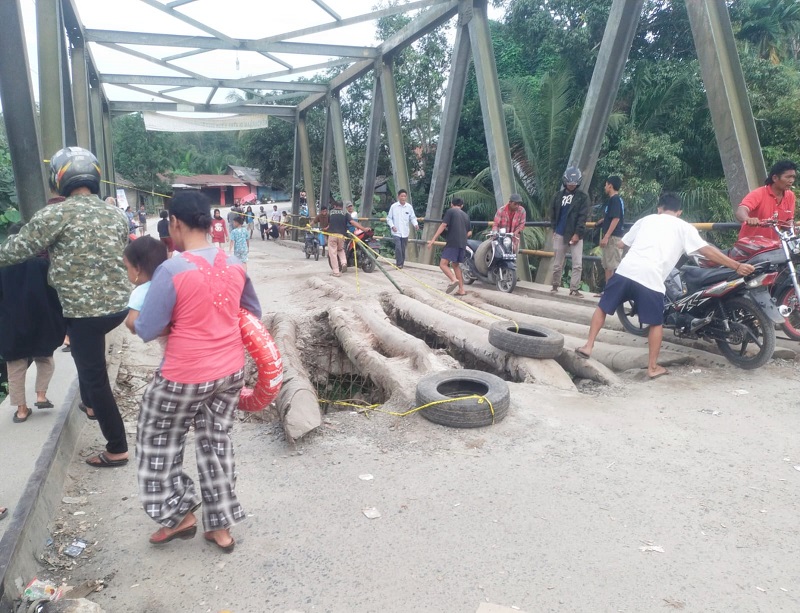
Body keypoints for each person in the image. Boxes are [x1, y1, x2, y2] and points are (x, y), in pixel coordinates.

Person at [133, 191, 261, 552]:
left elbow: (146, 328)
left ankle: (179, 514)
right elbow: (252, 311)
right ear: (209, 221)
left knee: (156, 441)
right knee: (216, 443)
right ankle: (220, 528)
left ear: (174, 222)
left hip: (183, 375)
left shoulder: (171, 269)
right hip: (230, 371)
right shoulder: (235, 264)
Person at [0, 147, 130, 467]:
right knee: (89, 360)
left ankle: (117, 447)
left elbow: (17, 250)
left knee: (94, 375)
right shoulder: (116, 214)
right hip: (117, 307)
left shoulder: (55, 214)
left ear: (59, 178)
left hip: (83, 313)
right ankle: (89, 404)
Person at [576, 192, 755, 379]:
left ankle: (588, 346)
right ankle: (652, 367)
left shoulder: (647, 219)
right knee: (655, 323)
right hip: (651, 278)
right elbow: (706, 251)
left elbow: (621, 244)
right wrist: (737, 265)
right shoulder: (684, 227)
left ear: (659, 208)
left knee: (603, 307)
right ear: (679, 212)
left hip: (626, 271)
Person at [0, 222, 65, 423]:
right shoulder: (42, 265)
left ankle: (21, 410)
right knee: (45, 358)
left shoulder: (3, 266)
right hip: (40, 320)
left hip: (12, 322)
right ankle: (41, 394)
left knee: (15, 366)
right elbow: (55, 294)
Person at [550, 166, 590, 297]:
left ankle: (574, 288)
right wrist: (554, 229)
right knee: (557, 262)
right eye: (569, 183)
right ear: (565, 182)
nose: (571, 186)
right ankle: (555, 285)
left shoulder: (582, 198)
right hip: (560, 233)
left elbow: (582, 217)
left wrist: (577, 234)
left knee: (577, 263)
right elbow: (553, 214)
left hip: (575, 234)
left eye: (573, 183)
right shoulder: (558, 196)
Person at [736, 159, 797, 241]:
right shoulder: (758, 193)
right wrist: (748, 219)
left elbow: (788, 222)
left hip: (773, 247)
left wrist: (792, 226)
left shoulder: (790, 196)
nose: (791, 181)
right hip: (750, 246)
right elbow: (741, 210)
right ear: (775, 178)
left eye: (793, 177)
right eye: (788, 177)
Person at [122, 236, 168, 334]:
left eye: (127, 268)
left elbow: (132, 322)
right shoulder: (167, 282)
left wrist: (130, 326)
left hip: (168, 342)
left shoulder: (140, 291)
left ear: (137, 269)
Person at [426, 198, 471, 296]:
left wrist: (433, 240)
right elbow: (469, 232)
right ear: (462, 206)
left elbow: (443, 225)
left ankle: (453, 279)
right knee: (455, 265)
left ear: (451, 204)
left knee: (443, 264)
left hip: (452, 242)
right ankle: (461, 289)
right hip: (462, 243)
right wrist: (462, 237)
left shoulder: (450, 211)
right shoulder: (466, 215)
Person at [596, 175, 625, 292]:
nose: (605, 187)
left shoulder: (615, 200)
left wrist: (606, 236)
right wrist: (604, 220)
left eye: (606, 184)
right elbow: (614, 216)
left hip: (613, 237)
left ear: (610, 186)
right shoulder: (616, 200)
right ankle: (608, 290)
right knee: (608, 264)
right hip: (613, 235)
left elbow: (616, 218)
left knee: (610, 265)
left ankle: (609, 291)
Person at [386, 189, 419, 269]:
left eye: (404, 196)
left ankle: (401, 263)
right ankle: (399, 264)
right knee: (398, 247)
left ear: (406, 197)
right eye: (402, 196)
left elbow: (412, 217)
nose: (403, 198)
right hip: (396, 231)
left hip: (405, 231)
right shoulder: (393, 207)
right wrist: (392, 226)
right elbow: (389, 218)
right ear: (398, 197)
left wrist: (415, 224)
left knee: (403, 248)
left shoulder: (409, 207)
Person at [326, 201, 350, 277]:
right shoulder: (345, 213)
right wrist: (363, 228)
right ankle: (344, 262)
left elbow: (329, 224)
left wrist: (324, 229)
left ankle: (336, 272)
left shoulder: (331, 213)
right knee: (341, 249)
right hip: (341, 235)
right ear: (342, 206)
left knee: (333, 253)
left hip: (332, 235)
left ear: (335, 206)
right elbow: (352, 222)